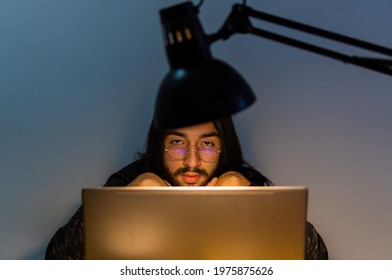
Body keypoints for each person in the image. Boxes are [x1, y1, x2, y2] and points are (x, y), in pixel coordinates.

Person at [45, 117, 328, 259]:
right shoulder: (129, 181)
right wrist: (126, 201)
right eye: (177, 143)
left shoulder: (245, 182)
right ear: (159, 145)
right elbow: (57, 259)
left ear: (223, 148)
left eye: (207, 144)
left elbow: (316, 258)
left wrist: (256, 203)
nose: (191, 162)